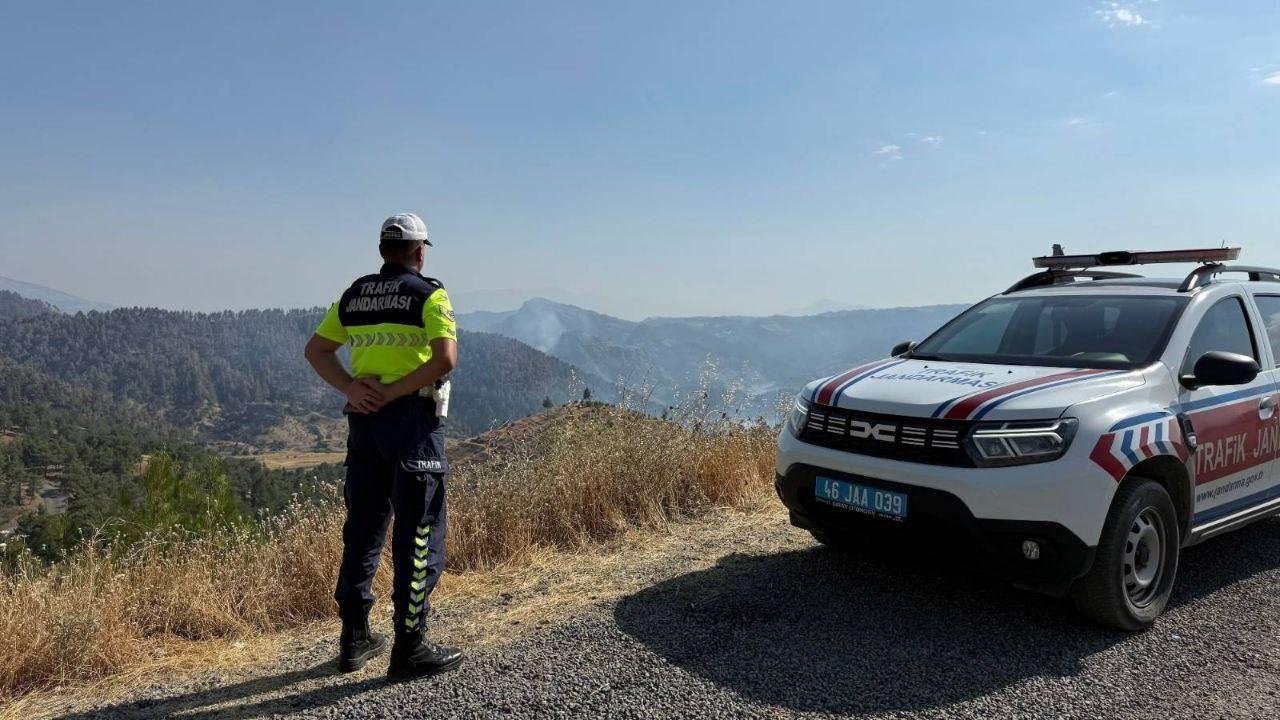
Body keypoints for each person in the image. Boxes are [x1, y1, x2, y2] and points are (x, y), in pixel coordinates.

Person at [303, 212, 463, 681]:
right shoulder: (430, 293)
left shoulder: (355, 295)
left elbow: (316, 350)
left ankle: (354, 639)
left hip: (364, 425)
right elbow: (445, 358)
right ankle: (409, 647)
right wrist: (395, 392)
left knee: (364, 530)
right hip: (412, 423)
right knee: (418, 533)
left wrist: (352, 389)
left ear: (381, 251)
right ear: (419, 251)